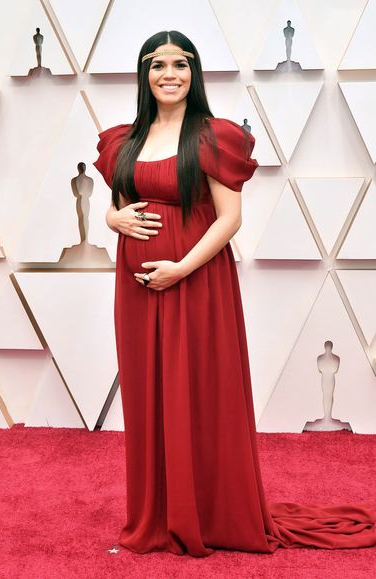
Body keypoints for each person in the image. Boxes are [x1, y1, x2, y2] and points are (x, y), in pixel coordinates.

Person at [93, 30, 376, 557]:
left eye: (181, 64)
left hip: (196, 282)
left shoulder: (212, 137)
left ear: (195, 73)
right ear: (144, 73)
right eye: (158, 65)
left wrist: (180, 269)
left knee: (198, 392)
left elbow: (230, 219)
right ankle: (156, 515)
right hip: (135, 292)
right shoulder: (124, 140)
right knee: (148, 395)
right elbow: (116, 203)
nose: (169, 74)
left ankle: (206, 511)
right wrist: (113, 217)